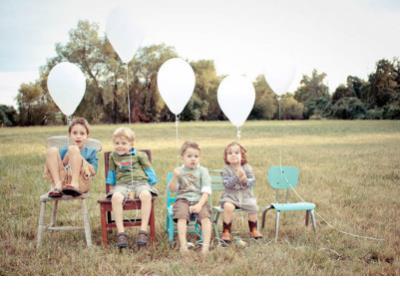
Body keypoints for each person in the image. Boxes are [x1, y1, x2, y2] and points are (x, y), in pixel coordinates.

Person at [106, 127, 158, 248]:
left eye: (124, 143)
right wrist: (111, 186)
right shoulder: (113, 156)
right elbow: (112, 172)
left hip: (140, 183)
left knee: (146, 195)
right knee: (116, 198)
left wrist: (152, 181)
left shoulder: (140, 155)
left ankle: (143, 230)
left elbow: (148, 169)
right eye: (117, 143)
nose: (120, 146)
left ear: (131, 144)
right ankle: (121, 233)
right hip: (122, 185)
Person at [169, 141, 212, 255]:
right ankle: (183, 245)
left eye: (196, 156)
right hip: (183, 199)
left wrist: (199, 205)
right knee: (182, 216)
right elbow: (172, 189)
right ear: (182, 157)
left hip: (199, 200)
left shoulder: (203, 171)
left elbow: (206, 192)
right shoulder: (179, 171)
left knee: (205, 217)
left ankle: (205, 246)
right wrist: (174, 177)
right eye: (189, 156)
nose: (193, 159)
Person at [220, 142, 263, 243]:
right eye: (230, 153)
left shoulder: (247, 168)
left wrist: (245, 180)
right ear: (226, 157)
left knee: (253, 205)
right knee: (228, 207)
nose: (233, 155)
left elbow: (252, 182)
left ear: (242, 156)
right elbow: (227, 185)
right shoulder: (226, 169)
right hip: (230, 197)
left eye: (236, 152)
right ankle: (226, 231)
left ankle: (253, 229)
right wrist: (236, 177)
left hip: (245, 197)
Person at [44, 117, 98, 198]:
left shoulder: (90, 151)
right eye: (75, 133)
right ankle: (57, 185)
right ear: (70, 135)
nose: (78, 136)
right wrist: (67, 157)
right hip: (63, 182)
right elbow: (59, 168)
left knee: (73, 149)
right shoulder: (64, 150)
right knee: (52, 151)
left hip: (81, 182)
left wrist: (79, 158)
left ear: (87, 136)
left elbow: (93, 171)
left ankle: (74, 184)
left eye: (82, 133)